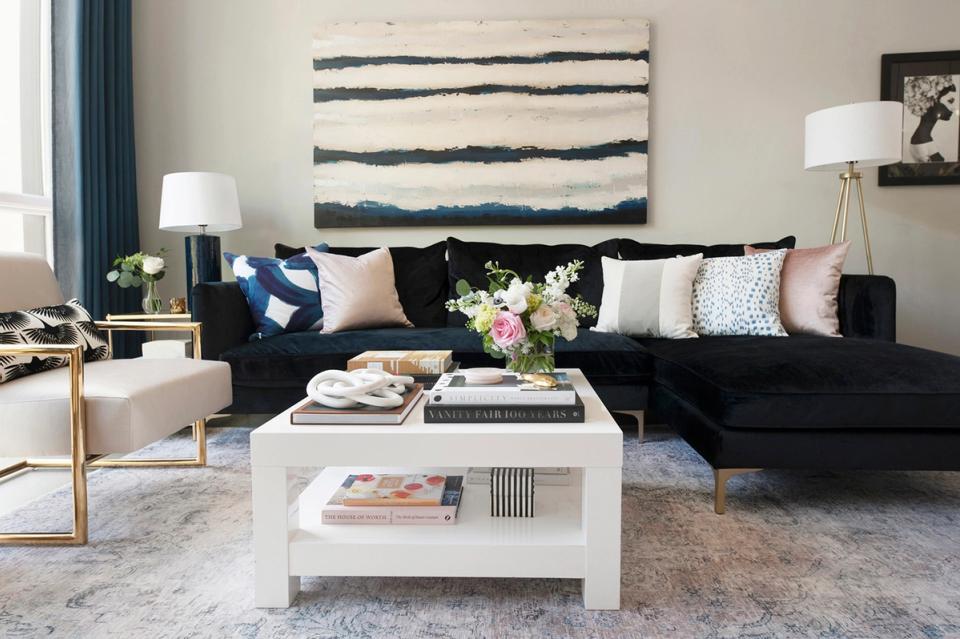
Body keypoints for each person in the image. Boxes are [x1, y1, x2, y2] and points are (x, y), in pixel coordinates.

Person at [904, 74, 958, 163]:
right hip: (921, 141)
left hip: (922, 139)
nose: (953, 108)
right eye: (950, 100)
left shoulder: (931, 102)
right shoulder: (936, 105)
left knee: (939, 160)